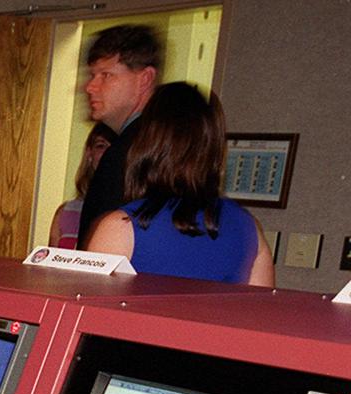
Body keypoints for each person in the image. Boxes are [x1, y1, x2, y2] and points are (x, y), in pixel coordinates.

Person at [86, 82, 274, 286]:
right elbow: (262, 305)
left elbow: (88, 305)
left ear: (146, 144)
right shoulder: (249, 228)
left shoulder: (120, 228)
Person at [76, 25, 160, 247]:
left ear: (145, 79)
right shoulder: (159, 143)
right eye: (92, 75)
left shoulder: (130, 152)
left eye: (106, 75)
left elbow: (97, 258)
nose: (90, 87)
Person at [49, 123, 116, 250]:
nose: (108, 152)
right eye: (101, 146)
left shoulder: (131, 214)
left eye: (114, 146)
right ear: (89, 154)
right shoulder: (66, 213)